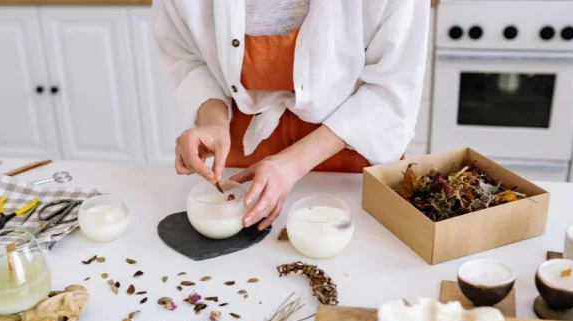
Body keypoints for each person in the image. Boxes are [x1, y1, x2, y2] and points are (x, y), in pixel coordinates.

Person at [153, 0, 429, 231]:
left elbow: (392, 88)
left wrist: (292, 164)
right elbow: (188, 56)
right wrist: (212, 120)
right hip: (242, 143)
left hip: (350, 143)